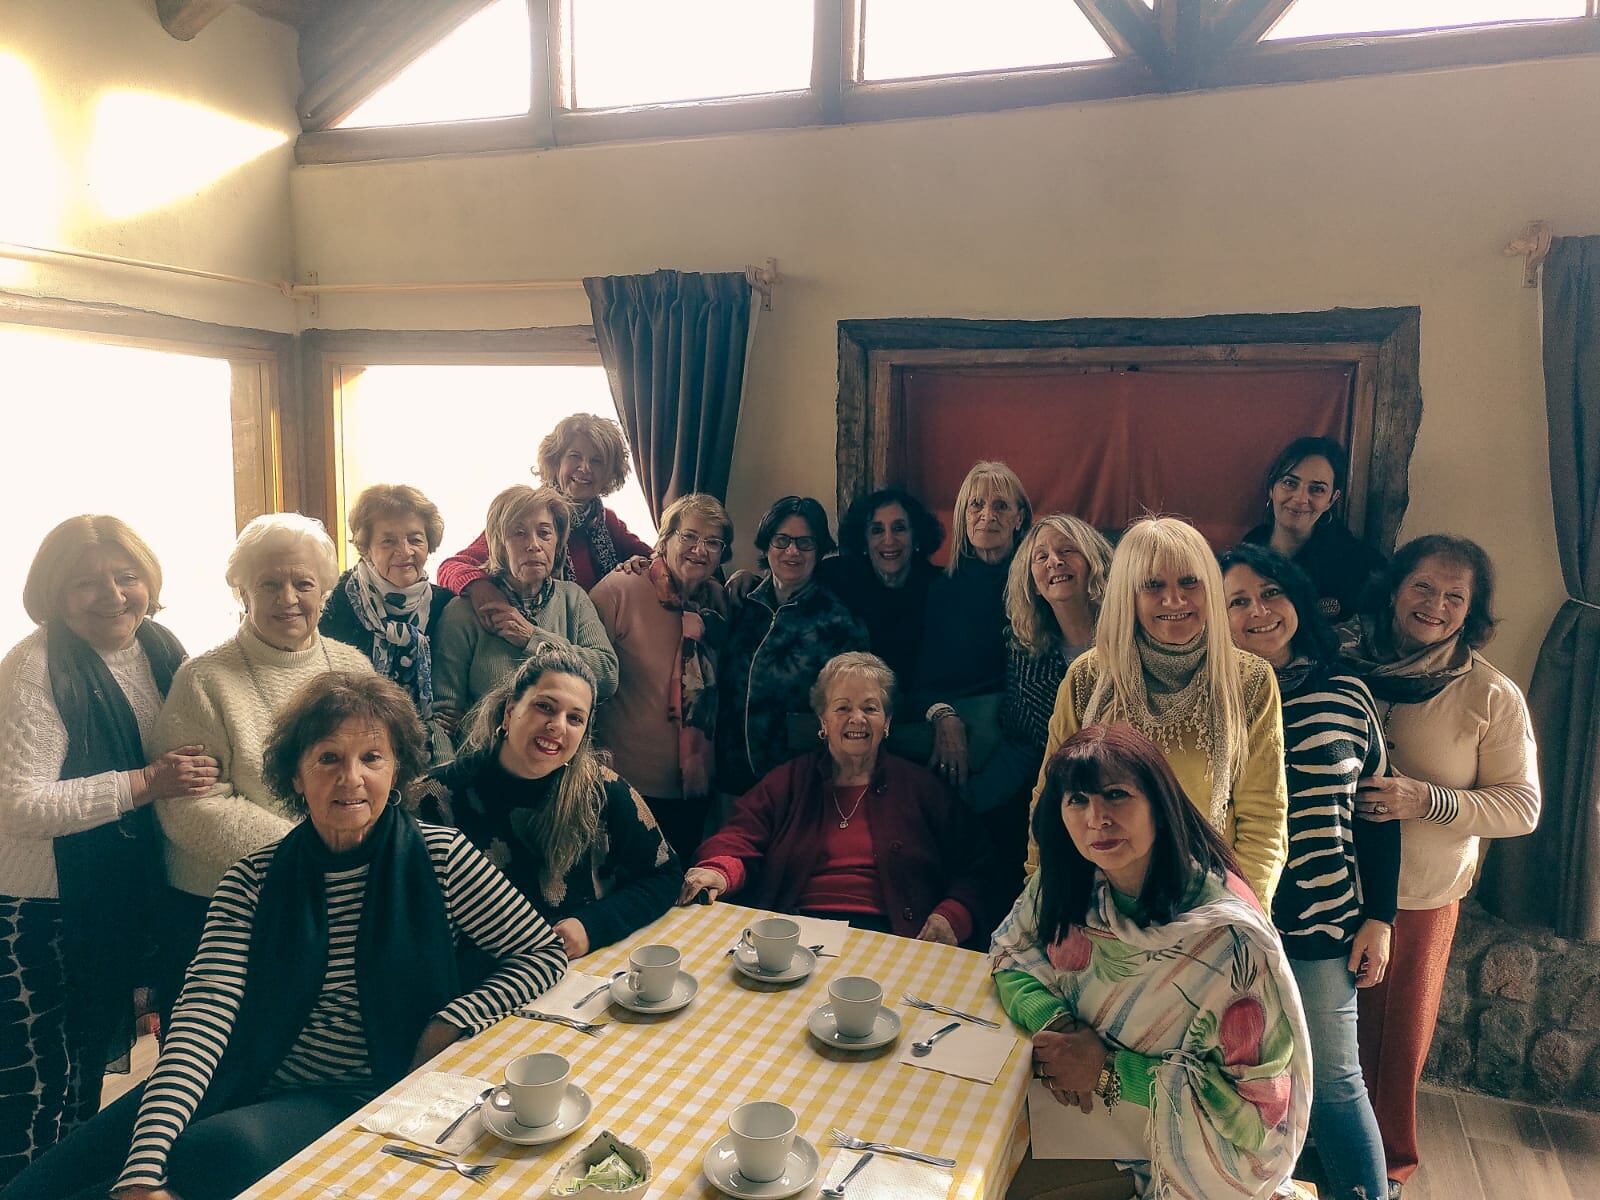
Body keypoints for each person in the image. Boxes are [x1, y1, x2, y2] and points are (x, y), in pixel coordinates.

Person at [3, 671, 567, 1200]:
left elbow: (542, 953)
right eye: (328, 758)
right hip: (245, 1069)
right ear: (296, 775)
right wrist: (143, 1166)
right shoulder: (252, 879)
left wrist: (453, 1020)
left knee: (214, 1152)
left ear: (396, 770)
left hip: (359, 1088)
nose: (351, 778)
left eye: (371, 757)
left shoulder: (441, 856)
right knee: (47, 1182)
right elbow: (203, 1017)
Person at [993, 724, 1310, 1200]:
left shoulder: (1227, 941)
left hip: (1188, 1156)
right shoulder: (1070, 885)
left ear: (1160, 806)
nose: (1096, 818)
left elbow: (1256, 1112)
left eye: (1116, 795)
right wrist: (1060, 1025)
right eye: (1076, 800)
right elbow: (1010, 954)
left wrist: (1107, 1070)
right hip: (1082, 1120)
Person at [0, 518, 217, 1185]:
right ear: (53, 593)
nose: (113, 595)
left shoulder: (160, 646)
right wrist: (147, 784)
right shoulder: (34, 669)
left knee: (84, 1074)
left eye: (126, 577)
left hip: (115, 892)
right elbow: (19, 803)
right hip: (39, 910)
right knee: (37, 1092)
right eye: (85, 583)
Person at [1346, 535, 1539, 1196]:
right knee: (1324, 1031)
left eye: (1455, 596)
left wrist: (1424, 799)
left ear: (1471, 613)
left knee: (1395, 1047)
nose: (1435, 605)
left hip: (1417, 898)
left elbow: (1522, 807)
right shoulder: (1342, 662)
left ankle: (1386, 1171)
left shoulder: (1492, 695)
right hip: (1325, 885)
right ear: (1396, 588)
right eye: (1423, 587)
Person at [1220, 542, 1396, 1200]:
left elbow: (1378, 812)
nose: (1258, 610)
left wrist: (1381, 916)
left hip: (1325, 926)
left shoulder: (1346, 690)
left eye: (1271, 592)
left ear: (1297, 599)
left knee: (1336, 1086)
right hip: (1230, 928)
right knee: (1243, 1086)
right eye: (1237, 600)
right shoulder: (1211, 699)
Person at [149, 513, 373, 1011]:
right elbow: (192, 809)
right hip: (224, 906)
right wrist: (309, 852)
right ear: (242, 593)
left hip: (334, 895)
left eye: (303, 583)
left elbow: (378, 772)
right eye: (268, 584)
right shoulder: (204, 679)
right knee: (223, 1058)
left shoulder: (355, 666)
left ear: (326, 592)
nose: (287, 598)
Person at [1027, 516, 1288, 905]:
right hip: (1100, 900)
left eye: (1189, 582)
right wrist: (1045, 897)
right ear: (1127, 594)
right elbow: (1052, 797)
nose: (1175, 600)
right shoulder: (1089, 677)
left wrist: (1242, 916)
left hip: (1207, 900)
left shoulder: (1249, 681)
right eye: (1153, 585)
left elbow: (1264, 819)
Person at [683, 652, 993, 945]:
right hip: (797, 932)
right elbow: (737, 837)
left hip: (893, 935)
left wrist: (954, 915)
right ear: (823, 721)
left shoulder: (923, 788)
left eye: (870, 708)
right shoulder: (789, 780)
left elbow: (979, 866)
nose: (857, 718)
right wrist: (719, 871)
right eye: (842, 707)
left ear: (886, 723)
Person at [413, 646, 680, 960]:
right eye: (545, 707)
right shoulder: (433, 797)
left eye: (575, 718)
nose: (558, 725)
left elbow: (665, 876)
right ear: (510, 712)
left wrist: (592, 926)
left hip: (576, 975)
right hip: (473, 980)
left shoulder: (604, 790)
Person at [968, 516, 1112, 891]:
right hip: (1050, 790)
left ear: (1094, 562)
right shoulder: (1026, 650)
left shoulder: (1126, 637)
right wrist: (967, 802)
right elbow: (1021, 742)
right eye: (1041, 556)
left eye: (1067, 551)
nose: (1054, 562)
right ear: (1030, 579)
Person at [589, 493, 732, 861]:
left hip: (695, 790)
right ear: (664, 539)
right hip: (624, 789)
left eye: (713, 542)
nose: (700, 550)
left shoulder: (718, 602)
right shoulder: (619, 590)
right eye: (689, 536)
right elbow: (584, 685)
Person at [431, 484, 618, 742]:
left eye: (544, 533)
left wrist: (534, 639)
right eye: (518, 534)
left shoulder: (573, 598)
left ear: (558, 542)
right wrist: (446, 780)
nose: (533, 545)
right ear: (498, 544)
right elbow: (441, 716)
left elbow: (607, 675)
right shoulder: (464, 612)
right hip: (481, 767)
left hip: (561, 766)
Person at [714, 497, 867, 798]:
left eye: (805, 543)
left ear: (820, 550)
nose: (792, 551)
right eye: (782, 540)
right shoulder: (741, 605)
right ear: (767, 544)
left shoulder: (839, 622)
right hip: (728, 780)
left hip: (799, 789)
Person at [436, 413, 652, 616]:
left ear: (609, 473)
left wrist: (638, 562)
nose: (585, 468)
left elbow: (659, 560)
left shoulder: (605, 521)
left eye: (597, 461)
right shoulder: (530, 514)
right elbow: (451, 567)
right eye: (575, 456)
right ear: (556, 461)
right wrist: (479, 586)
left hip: (596, 635)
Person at [913, 461, 1033, 793]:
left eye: (1001, 506)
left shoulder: (1038, 582)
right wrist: (943, 715)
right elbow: (922, 678)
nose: (987, 515)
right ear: (963, 516)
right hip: (956, 724)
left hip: (1024, 735)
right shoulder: (939, 588)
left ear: (1019, 518)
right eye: (976, 504)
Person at [319, 484, 455, 760]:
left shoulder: (446, 606)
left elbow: (454, 690)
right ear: (366, 548)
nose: (405, 551)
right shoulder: (336, 606)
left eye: (415, 539)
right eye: (388, 541)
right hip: (355, 748)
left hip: (429, 748)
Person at [1242, 436, 1385, 625]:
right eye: (1290, 483)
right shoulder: (1244, 555)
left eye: (1316, 489)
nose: (1300, 498)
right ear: (1272, 488)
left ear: (1332, 499)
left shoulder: (1360, 565)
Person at [815, 487, 944, 681]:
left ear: (916, 537)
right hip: (860, 700)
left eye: (899, 528)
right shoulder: (840, 576)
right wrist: (752, 581)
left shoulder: (940, 586)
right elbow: (794, 580)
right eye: (877, 530)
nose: (889, 540)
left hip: (923, 702)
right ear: (864, 542)